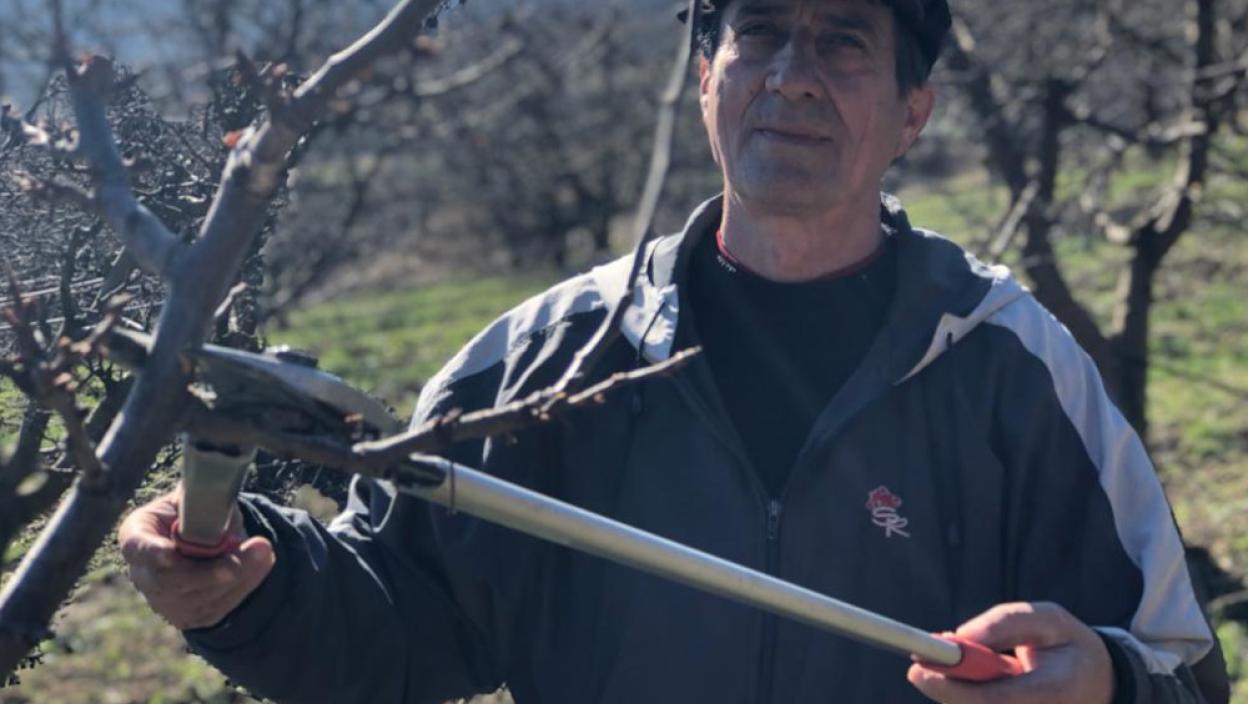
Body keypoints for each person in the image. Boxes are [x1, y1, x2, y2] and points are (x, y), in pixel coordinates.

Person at [119, 0, 1230, 701]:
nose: (792, 74)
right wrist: (242, 585)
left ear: (915, 112)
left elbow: (1180, 665)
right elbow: (398, 621)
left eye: (844, 40)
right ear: (706, 80)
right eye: (760, 31)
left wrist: (1108, 685)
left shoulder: (1013, 366)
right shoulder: (546, 361)